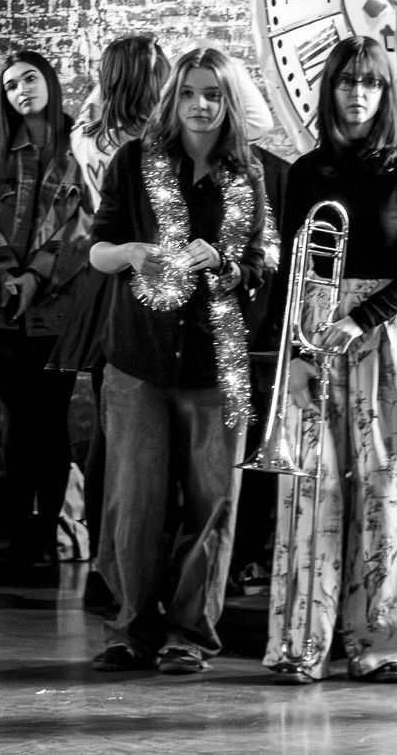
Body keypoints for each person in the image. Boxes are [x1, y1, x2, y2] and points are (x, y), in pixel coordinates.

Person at [86, 46, 274, 675]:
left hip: (216, 362)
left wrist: (226, 264)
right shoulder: (133, 161)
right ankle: (129, 631)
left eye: (213, 95)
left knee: (212, 506)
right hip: (138, 358)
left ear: (229, 102)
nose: (200, 105)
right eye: (189, 93)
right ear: (173, 98)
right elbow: (97, 250)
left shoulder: (248, 175)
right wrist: (133, 253)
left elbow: (262, 262)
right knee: (133, 505)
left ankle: (190, 636)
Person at [264, 35, 397, 684]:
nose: (359, 94)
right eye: (347, 82)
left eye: (371, 83)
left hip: (388, 335)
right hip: (316, 335)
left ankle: (384, 644)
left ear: (385, 92)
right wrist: (296, 353)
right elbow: (293, 267)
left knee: (386, 488)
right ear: (331, 90)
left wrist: (362, 317)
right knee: (310, 492)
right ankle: (299, 647)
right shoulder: (307, 170)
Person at [0, 49, 90, 584]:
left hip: (57, 306)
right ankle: (19, 538)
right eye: (11, 85)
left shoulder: (77, 146)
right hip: (1, 307)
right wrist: (7, 274)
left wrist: (36, 275)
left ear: (49, 83)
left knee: (52, 420)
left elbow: (80, 224)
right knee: (16, 422)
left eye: (30, 79)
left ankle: (48, 537)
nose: (21, 91)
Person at [49, 35, 169, 608]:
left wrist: (110, 79)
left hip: (105, 277)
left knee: (109, 425)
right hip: (137, 269)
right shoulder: (149, 144)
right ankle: (124, 559)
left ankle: (107, 558)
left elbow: (94, 107)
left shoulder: (87, 136)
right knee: (126, 427)